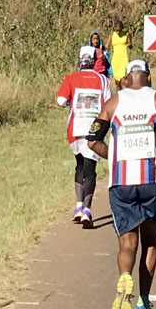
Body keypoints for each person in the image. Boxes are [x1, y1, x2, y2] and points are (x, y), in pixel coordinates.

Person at [89, 59, 156, 309]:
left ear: (127, 79)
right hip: (153, 179)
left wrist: (114, 156)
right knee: (150, 242)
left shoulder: (113, 103)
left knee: (127, 244)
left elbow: (92, 140)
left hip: (121, 181)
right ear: (148, 77)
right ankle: (143, 304)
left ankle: (124, 275)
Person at [55, 44, 111, 227]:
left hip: (74, 129)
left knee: (79, 164)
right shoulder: (103, 80)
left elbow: (60, 100)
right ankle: (87, 209)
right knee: (90, 169)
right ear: (94, 60)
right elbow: (109, 104)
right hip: (95, 129)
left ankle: (78, 206)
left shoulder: (71, 78)